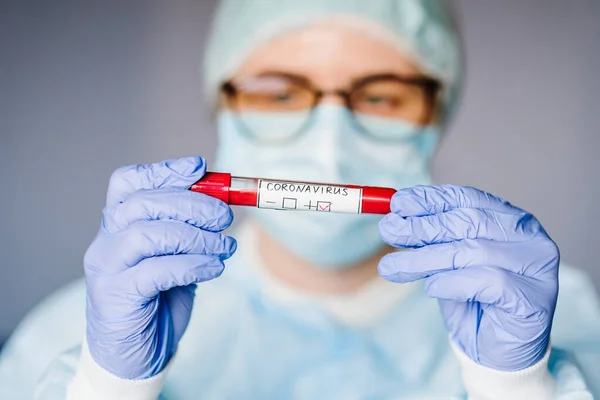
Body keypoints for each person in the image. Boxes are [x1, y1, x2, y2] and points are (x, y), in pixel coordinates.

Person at [1, 0, 600, 399]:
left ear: (437, 112)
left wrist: (519, 383)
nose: (330, 143)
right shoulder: (83, 329)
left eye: (382, 96)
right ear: (222, 106)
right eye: (280, 94)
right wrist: (106, 385)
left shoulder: (552, 314)